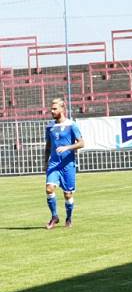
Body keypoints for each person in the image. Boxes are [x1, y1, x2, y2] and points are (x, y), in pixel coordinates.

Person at [44, 97, 84, 229]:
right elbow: (48, 146)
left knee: (68, 194)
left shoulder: (72, 125)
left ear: (62, 109)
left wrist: (67, 147)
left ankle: (69, 217)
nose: (52, 111)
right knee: (49, 189)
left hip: (68, 165)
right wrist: (45, 162)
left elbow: (82, 143)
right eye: (51, 108)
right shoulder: (50, 126)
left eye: (55, 108)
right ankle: (54, 216)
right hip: (54, 164)